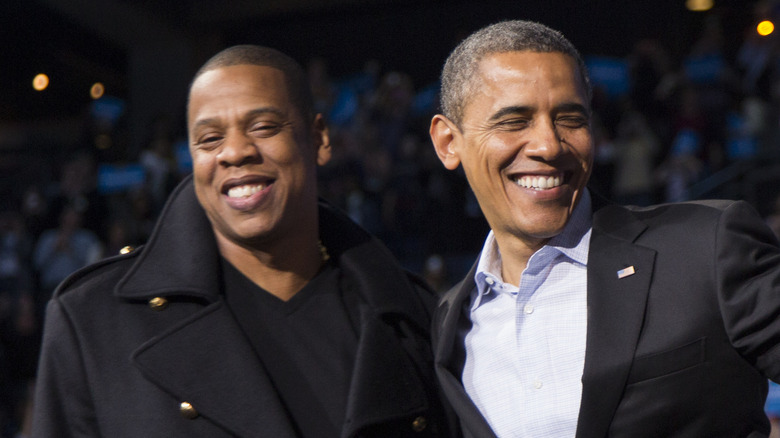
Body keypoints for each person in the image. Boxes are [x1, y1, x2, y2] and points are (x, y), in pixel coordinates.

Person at [32, 45, 454, 438]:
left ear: (319, 138)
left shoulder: (414, 315)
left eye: (264, 126)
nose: (234, 151)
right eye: (209, 139)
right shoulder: (91, 320)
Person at [428, 20, 780, 437]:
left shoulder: (707, 247)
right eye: (514, 121)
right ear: (449, 143)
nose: (549, 145)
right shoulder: (448, 326)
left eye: (570, 118)